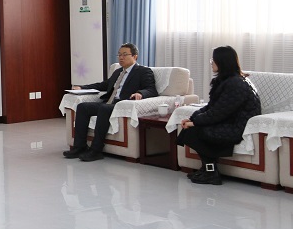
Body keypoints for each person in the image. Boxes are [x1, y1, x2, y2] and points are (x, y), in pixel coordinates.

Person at [177, 46, 261, 185]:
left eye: (213, 60)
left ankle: (211, 172)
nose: (211, 63)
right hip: (228, 122)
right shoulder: (227, 80)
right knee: (191, 128)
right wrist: (192, 118)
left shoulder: (236, 83)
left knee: (194, 131)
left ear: (222, 61)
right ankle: (207, 169)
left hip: (236, 127)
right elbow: (212, 106)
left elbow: (219, 112)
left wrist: (195, 123)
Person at [64, 43, 158, 162]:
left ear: (135, 56)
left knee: (104, 108)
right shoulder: (118, 72)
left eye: (124, 55)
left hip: (122, 105)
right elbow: (103, 85)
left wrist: (140, 93)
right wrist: (82, 87)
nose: (121, 57)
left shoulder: (143, 71)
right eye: (119, 55)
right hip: (109, 103)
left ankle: (96, 150)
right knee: (83, 107)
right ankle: (79, 147)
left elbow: (151, 90)